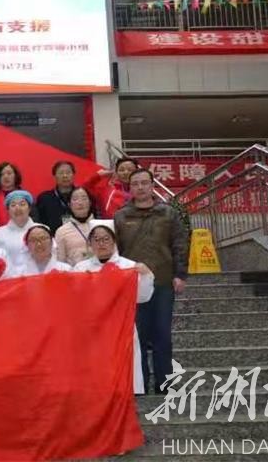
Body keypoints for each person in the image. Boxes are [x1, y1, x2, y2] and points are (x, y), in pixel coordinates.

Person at [114, 168, 188, 395]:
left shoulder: (168, 213)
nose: (140, 187)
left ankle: (164, 383)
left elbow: (180, 243)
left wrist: (180, 274)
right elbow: (116, 251)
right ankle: (140, 384)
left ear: (152, 185)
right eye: (135, 184)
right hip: (132, 285)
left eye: (144, 183)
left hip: (163, 281)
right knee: (138, 337)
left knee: (162, 335)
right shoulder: (121, 216)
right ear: (129, 188)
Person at [73, 221, 154, 395]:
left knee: (124, 373)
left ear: (114, 241)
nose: (101, 244)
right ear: (90, 243)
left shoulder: (129, 266)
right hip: (93, 329)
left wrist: (146, 275)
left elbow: (143, 297)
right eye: (96, 240)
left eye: (106, 239)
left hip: (121, 328)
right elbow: (75, 300)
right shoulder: (81, 268)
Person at [0, 190, 37, 267]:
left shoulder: (42, 230)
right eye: (13, 205)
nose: (18, 208)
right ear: (8, 210)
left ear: (29, 208)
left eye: (22, 204)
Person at [54, 186, 96, 266]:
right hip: (75, 272)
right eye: (75, 199)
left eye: (84, 198)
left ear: (90, 203)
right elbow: (60, 263)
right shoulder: (61, 231)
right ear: (69, 204)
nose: (80, 203)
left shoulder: (100, 225)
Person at [35, 161, 76, 235]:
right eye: (61, 173)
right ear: (54, 176)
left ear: (73, 175)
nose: (65, 176)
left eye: (68, 172)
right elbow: (39, 223)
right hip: (52, 238)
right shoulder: (44, 198)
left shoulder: (83, 196)